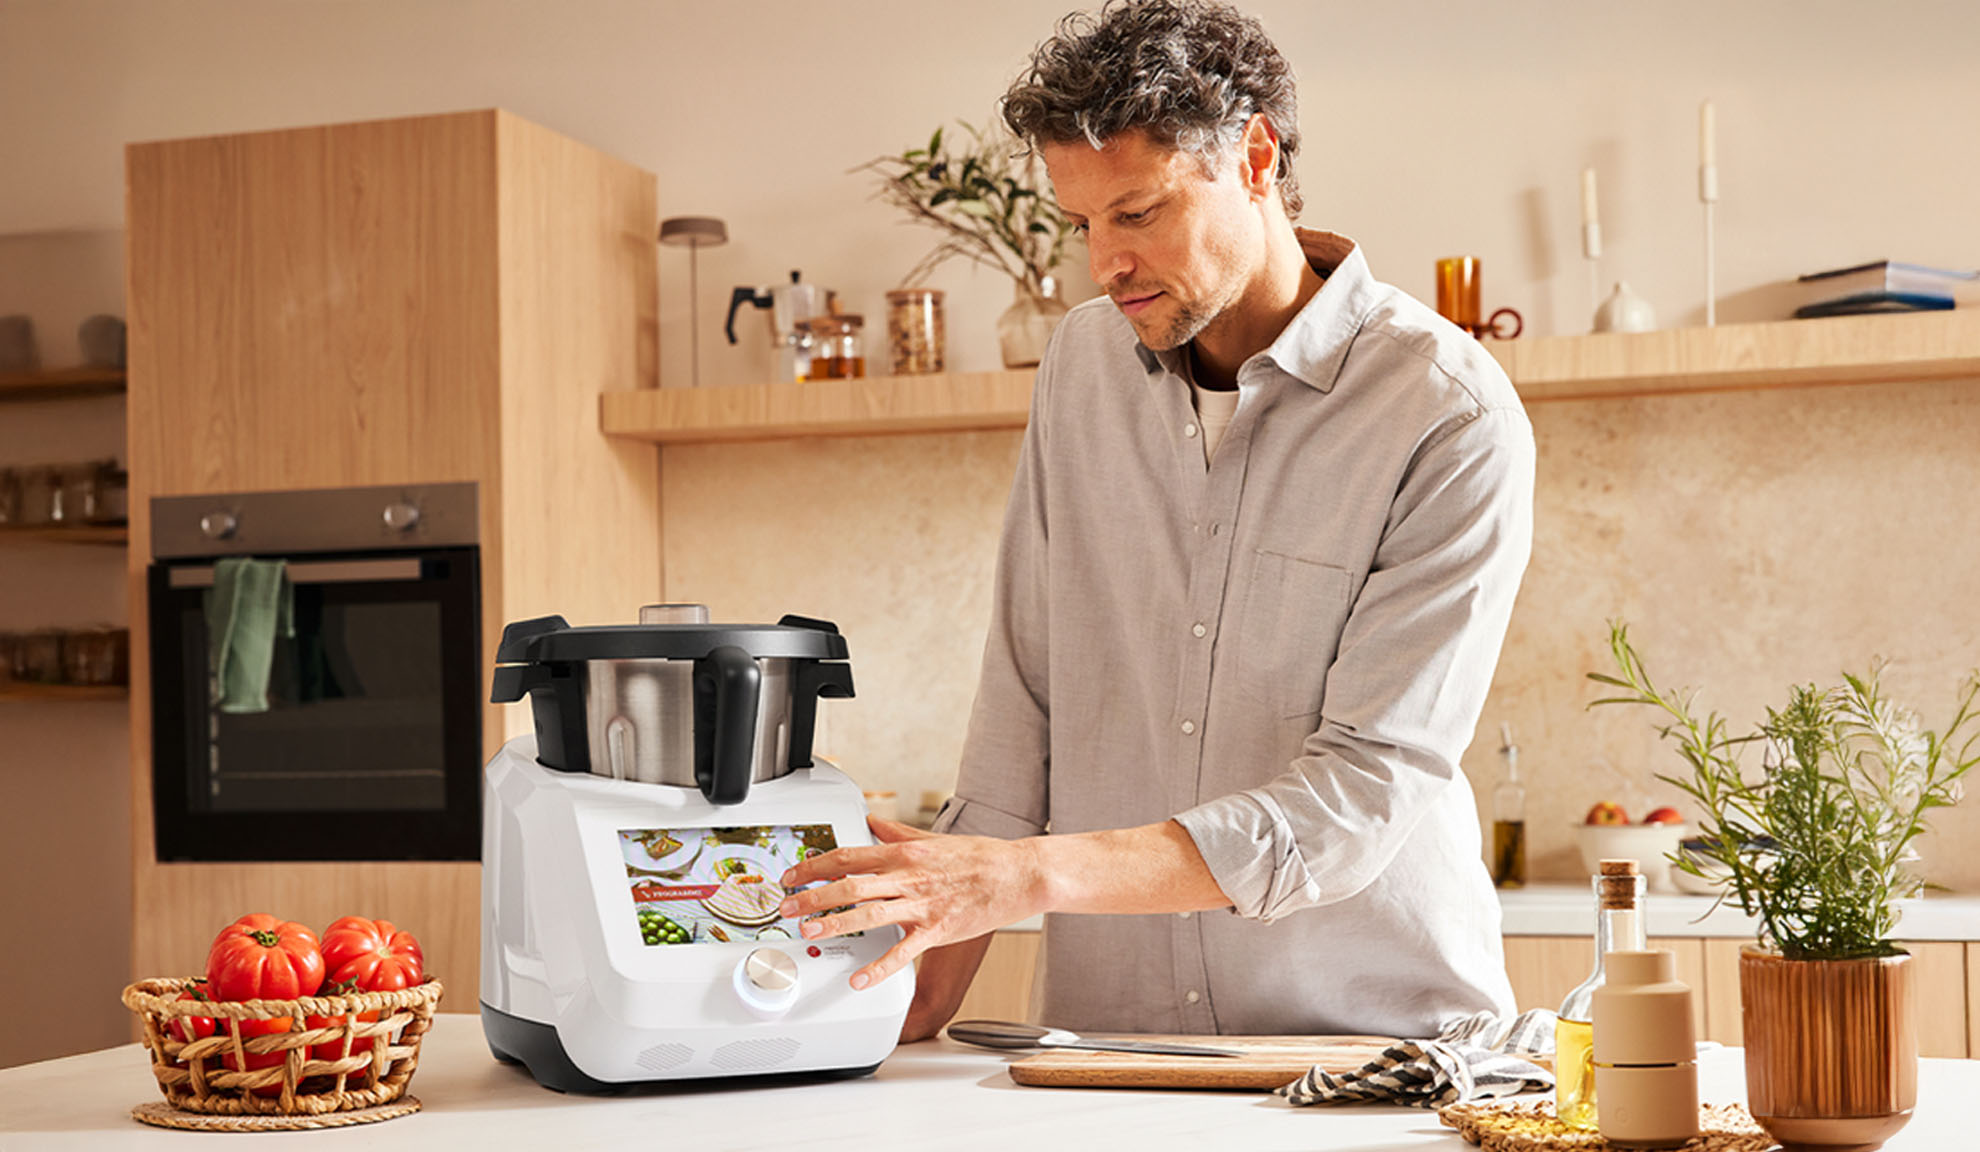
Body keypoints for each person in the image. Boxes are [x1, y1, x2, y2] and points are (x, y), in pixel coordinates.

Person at [781, 0, 1534, 1043]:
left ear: (1255, 157)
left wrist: (1020, 875)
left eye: (1137, 213)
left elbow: (1360, 794)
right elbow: (1022, 711)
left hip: (1369, 1052)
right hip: (1113, 1044)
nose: (1106, 264)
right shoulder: (1080, 368)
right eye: (1082, 224)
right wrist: (916, 973)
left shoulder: (1445, 409)